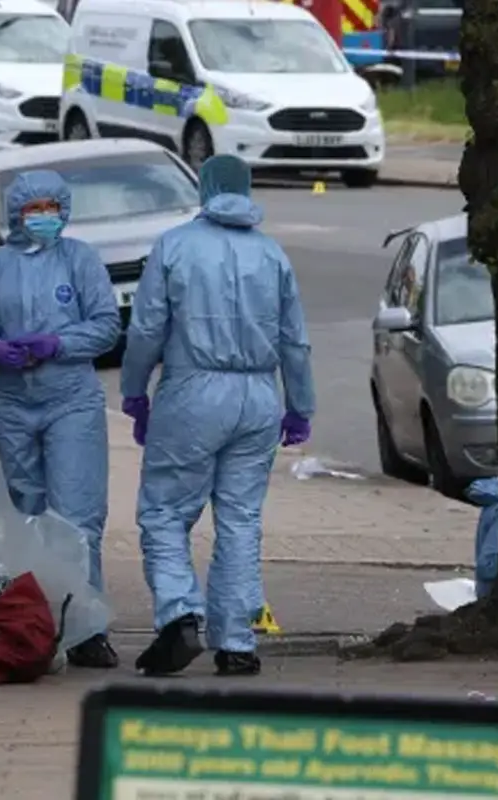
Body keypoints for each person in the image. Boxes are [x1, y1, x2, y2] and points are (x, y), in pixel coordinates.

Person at [120, 154, 315, 677]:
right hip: (258, 396)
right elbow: (294, 340)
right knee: (240, 519)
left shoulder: (175, 246)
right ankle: (236, 642)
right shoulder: (271, 253)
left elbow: (146, 330)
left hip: (193, 390)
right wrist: (300, 406)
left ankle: (180, 612)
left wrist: (135, 392)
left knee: (165, 511)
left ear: (203, 189)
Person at [0, 169, 122, 668]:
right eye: (34, 209)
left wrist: (59, 343)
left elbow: (106, 326)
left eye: (52, 208)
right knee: (26, 513)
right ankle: (35, 623)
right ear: (17, 213)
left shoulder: (80, 260)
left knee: (76, 516)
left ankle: (86, 629)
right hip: (15, 403)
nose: (43, 216)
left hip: (70, 399)